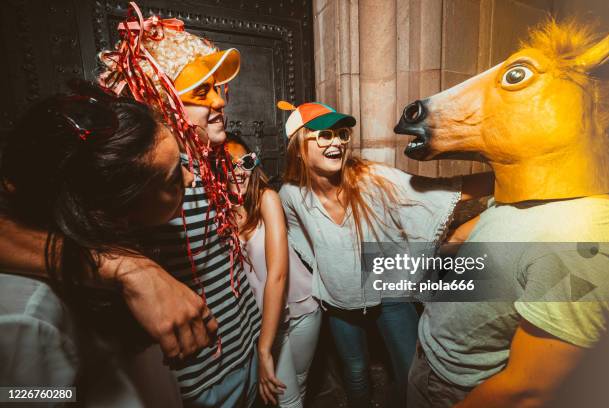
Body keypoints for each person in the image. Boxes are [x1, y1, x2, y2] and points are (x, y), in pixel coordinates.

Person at [0, 4, 261, 407]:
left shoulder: (210, 158)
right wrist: (127, 267)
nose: (220, 102)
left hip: (246, 347)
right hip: (201, 377)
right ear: (162, 97)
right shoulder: (141, 170)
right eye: (201, 91)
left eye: (218, 89)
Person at [277, 101, 494, 408]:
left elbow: (434, 190)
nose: (337, 142)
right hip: (338, 300)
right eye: (324, 135)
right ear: (299, 146)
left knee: (409, 370)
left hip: (390, 292)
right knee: (354, 370)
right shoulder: (290, 195)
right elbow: (298, 238)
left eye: (341, 134)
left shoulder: (369, 177)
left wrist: (507, 177)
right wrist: (327, 268)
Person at [0, 85, 194, 407]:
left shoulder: (117, 249)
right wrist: (81, 394)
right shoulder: (29, 318)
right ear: (114, 209)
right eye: (174, 178)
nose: (189, 178)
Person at [226, 136, 321, 407]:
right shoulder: (217, 213)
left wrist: (263, 348)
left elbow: (277, 274)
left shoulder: (267, 198)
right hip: (266, 319)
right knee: (286, 399)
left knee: (299, 382)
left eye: (244, 163)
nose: (238, 172)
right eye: (228, 165)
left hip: (302, 306)